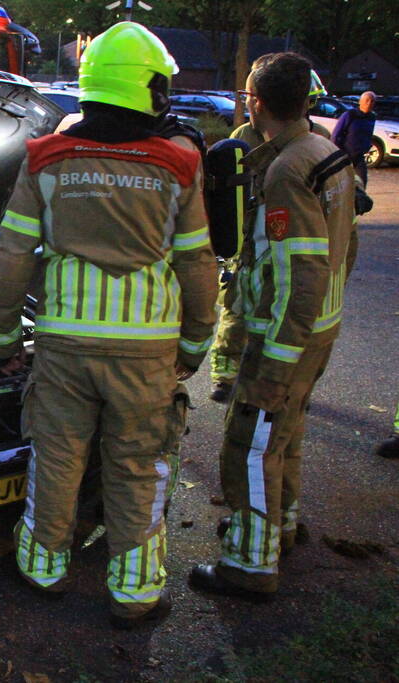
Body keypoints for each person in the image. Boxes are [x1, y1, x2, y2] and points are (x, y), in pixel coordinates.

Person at [0, 21, 217, 629]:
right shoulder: (180, 162)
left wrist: (2, 338)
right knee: (139, 464)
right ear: (151, 89)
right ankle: (136, 592)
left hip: (64, 345)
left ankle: (42, 570)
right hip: (148, 351)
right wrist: (196, 341)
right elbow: (196, 260)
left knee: (58, 456)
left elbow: (10, 256)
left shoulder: (45, 158)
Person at [190, 53, 356, 601]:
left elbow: (300, 271)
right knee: (284, 439)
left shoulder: (287, 171)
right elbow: (343, 252)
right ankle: (278, 531)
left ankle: (249, 565)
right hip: (318, 332)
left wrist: (276, 361)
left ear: (256, 102)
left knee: (249, 447)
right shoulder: (325, 151)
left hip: (284, 338)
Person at [208, 68, 333, 404]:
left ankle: (270, 375)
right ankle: (224, 374)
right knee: (235, 308)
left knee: (278, 303)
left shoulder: (315, 138)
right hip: (250, 233)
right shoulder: (245, 135)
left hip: (286, 231)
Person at [331, 90, 376, 187]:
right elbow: (335, 135)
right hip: (345, 155)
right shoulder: (350, 115)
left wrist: (367, 146)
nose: (369, 103)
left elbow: (369, 135)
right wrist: (339, 153)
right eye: (367, 100)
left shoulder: (372, 117)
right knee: (342, 184)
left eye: (372, 101)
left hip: (359, 157)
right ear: (360, 101)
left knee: (362, 182)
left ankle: (358, 201)